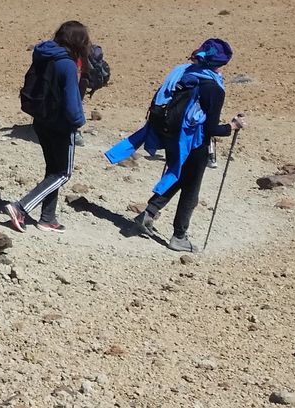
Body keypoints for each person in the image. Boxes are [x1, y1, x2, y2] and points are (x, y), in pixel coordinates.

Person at [105, 39, 246, 253]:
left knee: (177, 175)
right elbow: (211, 128)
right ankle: (179, 237)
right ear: (222, 63)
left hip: (171, 136)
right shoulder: (213, 87)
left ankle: (148, 214)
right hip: (194, 143)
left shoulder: (182, 72)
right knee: (191, 191)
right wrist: (232, 126)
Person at [6, 21, 89, 233]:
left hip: (42, 121)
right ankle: (21, 207)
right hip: (61, 125)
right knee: (63, 173)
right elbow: (72, 102)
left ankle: (47, 218)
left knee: (53, 170)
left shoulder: (44, 55)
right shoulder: (67, 64)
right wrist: (79, 122)